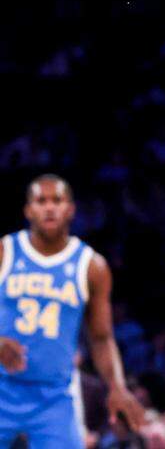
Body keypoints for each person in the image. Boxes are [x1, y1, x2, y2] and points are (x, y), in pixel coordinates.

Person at [0, 174, 145, 447]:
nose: (49, 207)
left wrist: (117, 386)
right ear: (28, 210)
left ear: (71, 209)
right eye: (41, 200)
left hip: (55, 395)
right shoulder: (5, 251)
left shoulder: (92, 266)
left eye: (57, 199)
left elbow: (101, 338)